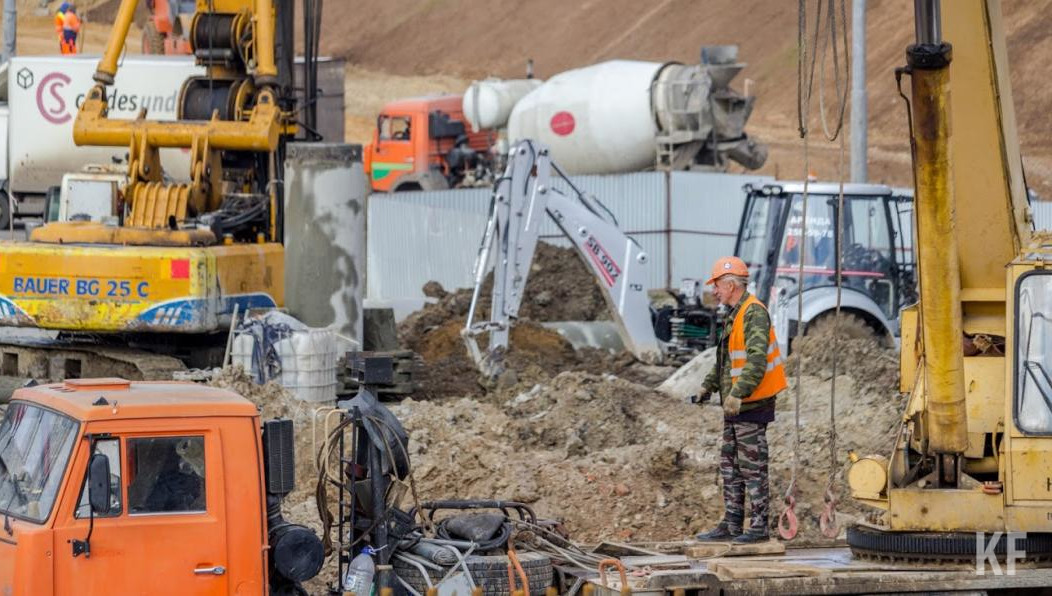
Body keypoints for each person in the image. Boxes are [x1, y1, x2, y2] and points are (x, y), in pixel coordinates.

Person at [693, 256, 787, 544]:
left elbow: (756, 361)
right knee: (731, 466)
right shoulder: (734, 314)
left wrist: (737, 394)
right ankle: (732, 523)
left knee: (752, 467)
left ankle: (758, 527)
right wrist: (708, 387)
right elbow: (725, 361)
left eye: (717, 286)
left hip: (751, 406)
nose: (714, 291)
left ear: (731, 285)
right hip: (736, 407)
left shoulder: (753, 313)